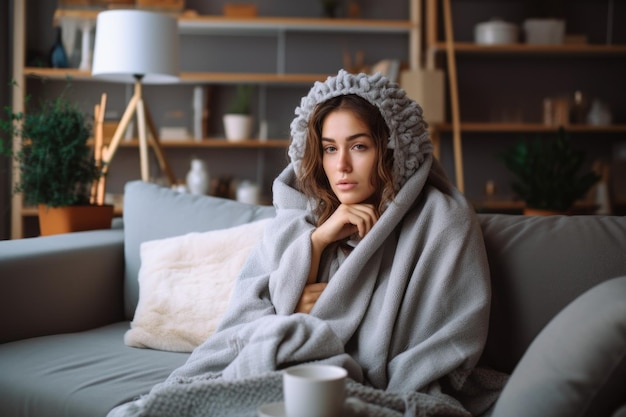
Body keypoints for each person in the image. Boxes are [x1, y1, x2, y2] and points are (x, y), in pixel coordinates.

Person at [109, 70, 503, 417]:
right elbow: (243, 322)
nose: (341, 166)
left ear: (393, 149)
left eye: (359, 146)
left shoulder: (440, 221)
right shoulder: (300, 220)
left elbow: (446, 340)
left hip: (357, 381)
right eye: (330, 148)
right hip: (286, 364)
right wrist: (316, 244)